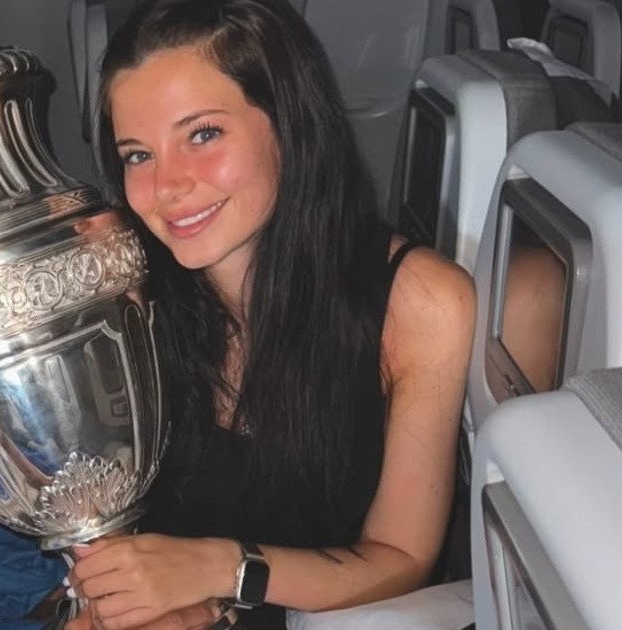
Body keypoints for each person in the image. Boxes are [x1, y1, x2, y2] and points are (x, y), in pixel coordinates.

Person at [65, 1, 476, 628]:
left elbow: (401, 559)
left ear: (289, 121)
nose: (166, 186)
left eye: (203, 134)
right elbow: (92, 498)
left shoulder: (419, 301)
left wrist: (219, 570)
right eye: (138, 155)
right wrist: (115, 595)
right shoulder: (122, 280)